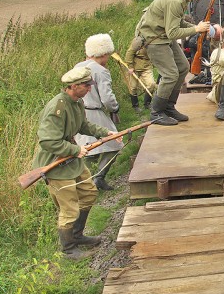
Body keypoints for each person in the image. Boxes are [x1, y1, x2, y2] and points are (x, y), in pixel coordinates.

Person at [33, 66, 115, 260]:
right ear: (74, 86)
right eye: (86, 85)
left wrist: (105, 133)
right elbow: (47, 141)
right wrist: (75, 149)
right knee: (69, 208)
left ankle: (77, 236)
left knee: (88, 193)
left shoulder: (77, 103)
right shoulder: (57, 108)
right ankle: (68, 249)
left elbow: (83, 125)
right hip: (56, 164)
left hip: (72, 161)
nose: (89, 89)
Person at [138, 0, 222, 126]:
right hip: (154, 39)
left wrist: (203, 29)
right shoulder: (175, 1)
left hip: (163, 37)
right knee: (170, 74)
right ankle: (156, 112)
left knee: (183, 67)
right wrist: (197, 29)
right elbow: (173, 32)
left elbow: (180, 23)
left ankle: (169, 107)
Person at [74, 33, 121, 191]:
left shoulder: (78, 66)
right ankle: (97, 178)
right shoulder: (100, 71)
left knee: (87, 148)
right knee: (114, 143)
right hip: (94, 113)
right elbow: (107, 98)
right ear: (104, 53)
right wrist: (115, 108)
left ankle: (85, 182)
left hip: (79, 111)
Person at [123, 20, 157, 112]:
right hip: (135, 67)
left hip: (147, 66)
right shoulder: (138, 41)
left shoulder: (154, 40)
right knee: (133, 87)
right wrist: (130, 66)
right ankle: (135, 106)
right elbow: (129, 53)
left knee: (151, 84)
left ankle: (147, 103)